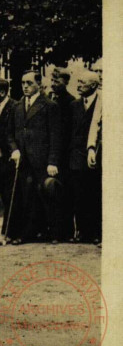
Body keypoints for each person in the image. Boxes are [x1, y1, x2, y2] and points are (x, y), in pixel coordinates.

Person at [7, 71, 62, 244]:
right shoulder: (17, 106)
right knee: (26, 196)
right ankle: (26, 233)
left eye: (29, 83)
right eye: (23, 83)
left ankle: (53, 232)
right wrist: (14, 150)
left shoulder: (49, 105)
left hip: (42, 159)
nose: (25, 86)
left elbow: (55, 135)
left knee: (45, 194)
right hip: (23, 160)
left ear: (38, 84)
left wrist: (52, 161)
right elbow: (9, 133)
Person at [68, 70, 102, 244]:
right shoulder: (74, 105)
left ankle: (96, 232)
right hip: (76, 157)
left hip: (96, 155)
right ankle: (81, 231)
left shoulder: (102, 103)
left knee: (94, 194)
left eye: (82, 82)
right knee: (79, 196)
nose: (79, 85)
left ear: (94, 85)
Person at [0, 78, 20, 246]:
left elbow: (13, 133)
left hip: (10, 158)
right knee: (5, 195)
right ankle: (10, 232)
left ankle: (8, 233)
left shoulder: (15, 107)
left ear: (2, 92)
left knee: (10, 196)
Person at [49, 67, 76, 241]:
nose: (53, 84)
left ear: (66, 82)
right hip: (52, 153)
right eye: (52, 81)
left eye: (57, 81)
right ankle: (51, 230)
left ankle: (65, 232)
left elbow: (67, 130)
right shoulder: (49, 99)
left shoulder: (71, 102)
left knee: (65, 194)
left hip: (65, 154)